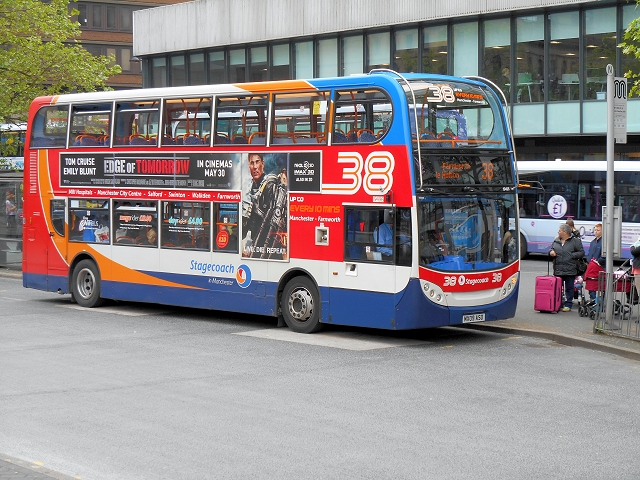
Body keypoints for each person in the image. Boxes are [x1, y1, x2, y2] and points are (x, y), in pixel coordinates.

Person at [242, 153, 288, 259]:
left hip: (270, 245)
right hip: (253, 245)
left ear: (262, 164)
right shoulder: (248, 188)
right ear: (249, 166)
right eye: (252, 163)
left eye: (257, 162)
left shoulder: (270, 185)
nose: (255, 167)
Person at [550, 223, 585, 312]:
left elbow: (581, 253)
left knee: (569, 288)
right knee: (558, 288)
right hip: (558, 268)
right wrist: (551, 252)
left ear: (565, 232)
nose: (558, 232)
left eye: (560, 230)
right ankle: (559, 303)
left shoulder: (575, 241)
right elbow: (551, 249)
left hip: (570, 268)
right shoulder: (556, 240)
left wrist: (572, 255)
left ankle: (568, 304)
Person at [630, 236, 640, 302]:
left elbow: (634, 251)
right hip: (637, 267)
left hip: (638, 269)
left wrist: (632, 247)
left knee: (639, 288)